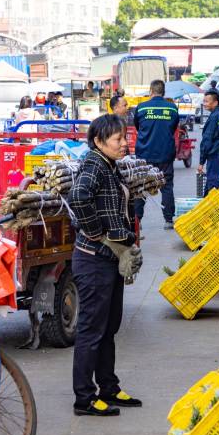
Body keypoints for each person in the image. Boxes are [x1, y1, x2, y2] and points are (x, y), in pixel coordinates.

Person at [68, 114, 143, 417]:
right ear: (99, 141)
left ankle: (108, 387)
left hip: (109, 261)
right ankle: (84, 398)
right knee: (91, 330)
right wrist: (97, 232)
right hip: (93, 261)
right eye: (118, 139)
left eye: (125, 137)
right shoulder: (94, 164)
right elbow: (78, 197)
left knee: (108, 327)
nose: (124, 143)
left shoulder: (110, 165)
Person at [133, 79, 179, 230]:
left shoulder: (141, 108)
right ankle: (168, 220)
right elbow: (173, 127)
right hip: (165, 154)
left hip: (144, 154)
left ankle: (137, 221)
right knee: (167, 186)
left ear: (150, 91)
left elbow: (138, 126)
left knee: (141, 187)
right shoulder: (172, 108)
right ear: (163, 92)